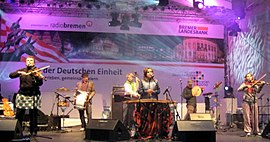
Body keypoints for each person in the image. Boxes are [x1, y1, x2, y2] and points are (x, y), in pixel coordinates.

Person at [9, 56, 45, 136]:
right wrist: (19, 73)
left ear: (34, 62)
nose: (29, 62)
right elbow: (11, 75)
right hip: (22, 94)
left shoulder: (36, 71)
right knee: (19, 114)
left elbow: (40, 84)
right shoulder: (22, 71)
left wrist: (38, 78)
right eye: (28, 60)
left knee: (33, 114)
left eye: (31, 60)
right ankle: (18, 130)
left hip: (34, 94)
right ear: (25, 62)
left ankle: (33, 131)